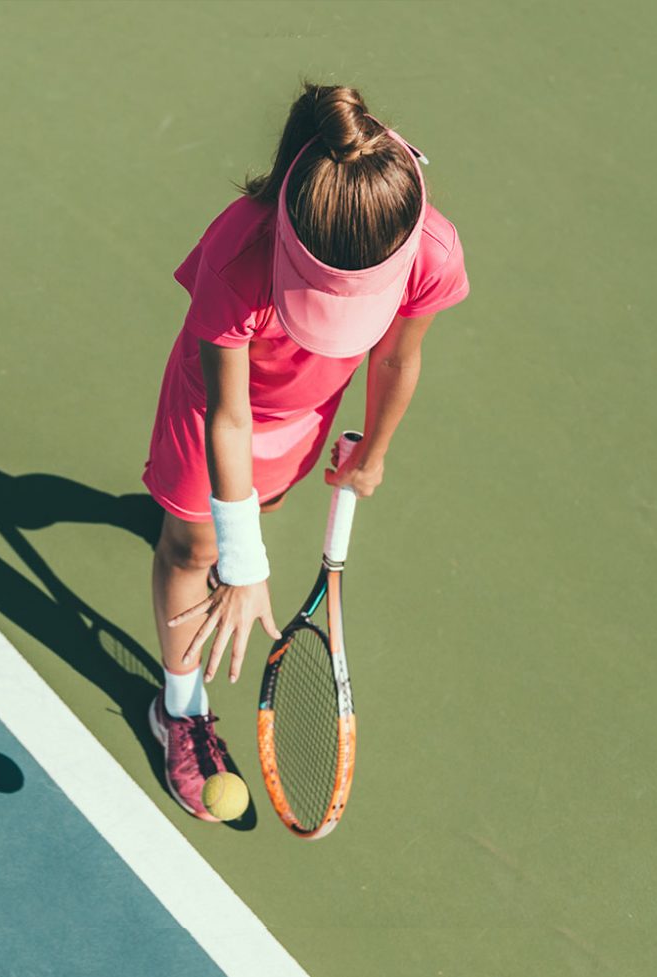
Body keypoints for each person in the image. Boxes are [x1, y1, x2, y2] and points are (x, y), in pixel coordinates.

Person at [141, 82, 470, 820]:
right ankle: (179, 707)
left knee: (254, 510)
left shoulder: (432, 252)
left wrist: (375, 450)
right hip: (217, 409)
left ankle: (206, 541)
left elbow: (392, 358)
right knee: (195, 550)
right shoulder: (240, 253)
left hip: (306, 416)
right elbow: (226, 416)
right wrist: (242, 558)